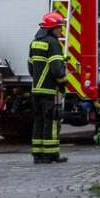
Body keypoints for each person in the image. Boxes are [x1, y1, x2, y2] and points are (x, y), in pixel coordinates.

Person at [28, 11, 69, 164]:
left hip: (36, 90)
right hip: (50, 90)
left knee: (38, 121)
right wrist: (63, 83)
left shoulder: (34, 42)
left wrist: (38, 80)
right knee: (51, 122)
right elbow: (57, 69)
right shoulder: (53, 44)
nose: (61, 30)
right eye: (59, 28)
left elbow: (31, 67)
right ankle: (51, 154)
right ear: (52, 28)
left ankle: (37, 154)